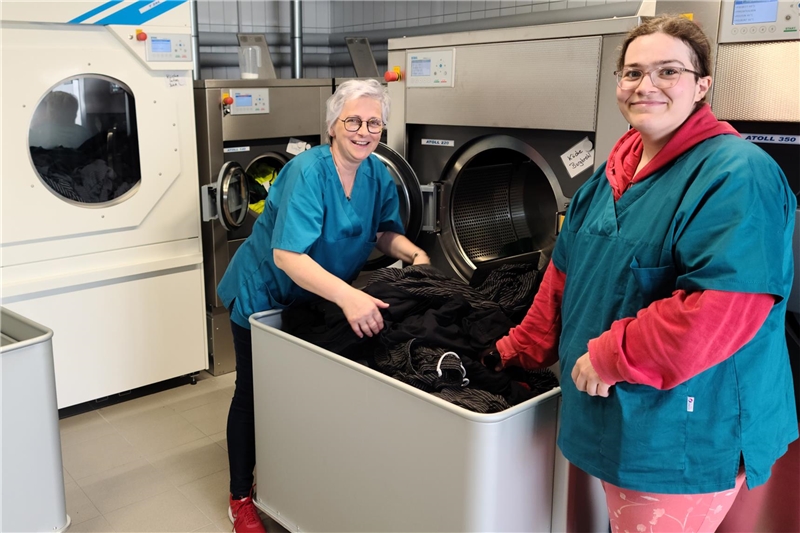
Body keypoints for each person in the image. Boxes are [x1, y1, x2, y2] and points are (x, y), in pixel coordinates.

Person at [483, 14, 797, 532]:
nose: (645, 85)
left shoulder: (736, 173)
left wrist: (611, 356)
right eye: (632, 73)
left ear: (702, 85)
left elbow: (721, 307)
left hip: (686, 431)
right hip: (619, 415)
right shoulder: (610, 175)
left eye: (668, 72)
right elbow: (564, 276)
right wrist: (518, 349)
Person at [217, 79, 430, 533]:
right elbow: (286, 255)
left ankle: (291, 478)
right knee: (254, 394)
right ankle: (240, 497)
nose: (363, 130)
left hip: (319, 300)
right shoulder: (309, 172)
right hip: (266, 296)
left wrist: (411, 253)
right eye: (353, 120)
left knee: (301, 395)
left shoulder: (377, 174)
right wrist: (351, 296)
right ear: (332, 125)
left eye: (374, 122)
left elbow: (380, 233)